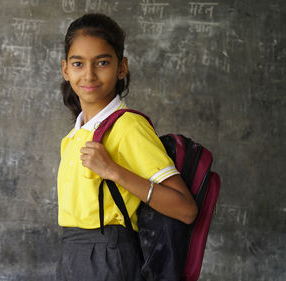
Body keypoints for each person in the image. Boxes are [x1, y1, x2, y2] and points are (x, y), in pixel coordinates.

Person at [56, 13, 198, 281]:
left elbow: (186, 209)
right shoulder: (74, 136)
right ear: (66, 69)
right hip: (71, 255)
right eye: (78, 63)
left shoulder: (128, 126)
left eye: (102, 62)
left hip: (109, 257)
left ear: (122, 67)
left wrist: (114, 171)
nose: (89, 74)